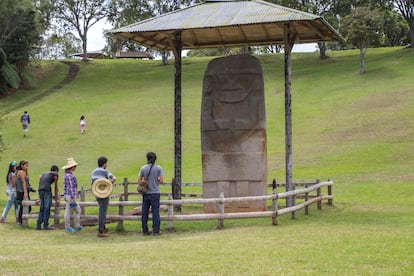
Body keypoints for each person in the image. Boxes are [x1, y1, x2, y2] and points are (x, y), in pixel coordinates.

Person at [138, 152, 164, 236]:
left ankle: (145, 230)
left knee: (144, 212)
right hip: (155, 192)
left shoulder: (143, 168)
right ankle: (156, 230)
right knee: (155, 212)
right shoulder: (158, 168)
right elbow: (161, 181)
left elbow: (139, 181)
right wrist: (157, 179)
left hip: (146, 193)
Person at [91, 156, 116, 237]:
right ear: (104, 164)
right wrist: (110, 183)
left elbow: (93, 183)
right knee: (103, 212)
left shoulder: (94, 171)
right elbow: (114, 178)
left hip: (97, 193)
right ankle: (100, 231)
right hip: (104, 194)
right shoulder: (105, 171)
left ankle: (103, 227)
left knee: (101, 209)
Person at [62, 157, 83, 233]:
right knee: (69, 211)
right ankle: (68, 227)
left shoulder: (67, 175)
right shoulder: (69, 176)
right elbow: (71, 187)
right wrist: (73, 198)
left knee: (77, 210)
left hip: (69, 196)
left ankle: (76, 225)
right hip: (71, 197)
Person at [36, 165, 59, 230]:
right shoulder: (55, 174)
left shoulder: (44, 173)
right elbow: (55, 186)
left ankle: (38, 224)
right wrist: (56, 198)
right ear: (56, 171)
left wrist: (38, 198)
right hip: (47, 191)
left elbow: (40, 180)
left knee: (42, 208)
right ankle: (45, 225)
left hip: (40, 189)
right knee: (47, 208)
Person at [15, 160, 30, 226]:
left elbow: (28, 179)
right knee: (24, 206)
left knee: (26, 206)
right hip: (21, 191)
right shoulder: (20, 172)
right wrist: (25, 192)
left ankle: (21, 220)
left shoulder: (24, 172)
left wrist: (26, 171)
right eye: (26, 165)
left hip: (23, 190)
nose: (27, 167)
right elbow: (23, 182)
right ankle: (20, 221)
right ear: (22, 166)